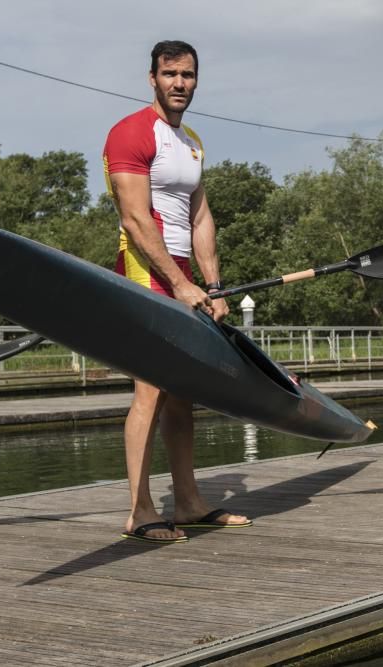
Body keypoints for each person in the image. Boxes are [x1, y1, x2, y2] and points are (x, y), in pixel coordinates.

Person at [103, 40, 251, 543]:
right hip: (145, 274)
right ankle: (141, 511)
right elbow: (135, 220)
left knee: (183, 391)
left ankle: (187, 501)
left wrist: (212, 285)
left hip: (185, 278)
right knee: (150, 389)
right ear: (152, 78)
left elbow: (201, 217)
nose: (179, 83)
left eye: (188, 75)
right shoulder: (129, 134)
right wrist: (179, 283)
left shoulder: (191, 142)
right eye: (170, 74)